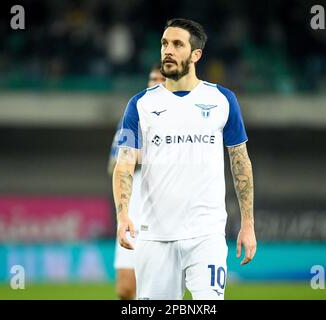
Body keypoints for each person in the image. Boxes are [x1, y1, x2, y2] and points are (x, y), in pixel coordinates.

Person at [112, 18, 256, 300]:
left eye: (178, 44)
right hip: (154, 237)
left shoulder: (223, 100)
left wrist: (248, 224)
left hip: (207, 235)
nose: (168, 50)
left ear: (196, 54)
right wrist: (122, 214)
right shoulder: (139, 104)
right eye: (165, 43)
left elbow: (241, 162)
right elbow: (124, 164)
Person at [108, 64, 165, 300]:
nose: (155, 83)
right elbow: (114, 164)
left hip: (167, 208)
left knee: (163, 287)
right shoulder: (132, 118)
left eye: (161, 79)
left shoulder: (186, 118)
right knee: (126, 289)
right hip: (135, 207)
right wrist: (141, 155)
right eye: (152, 78)